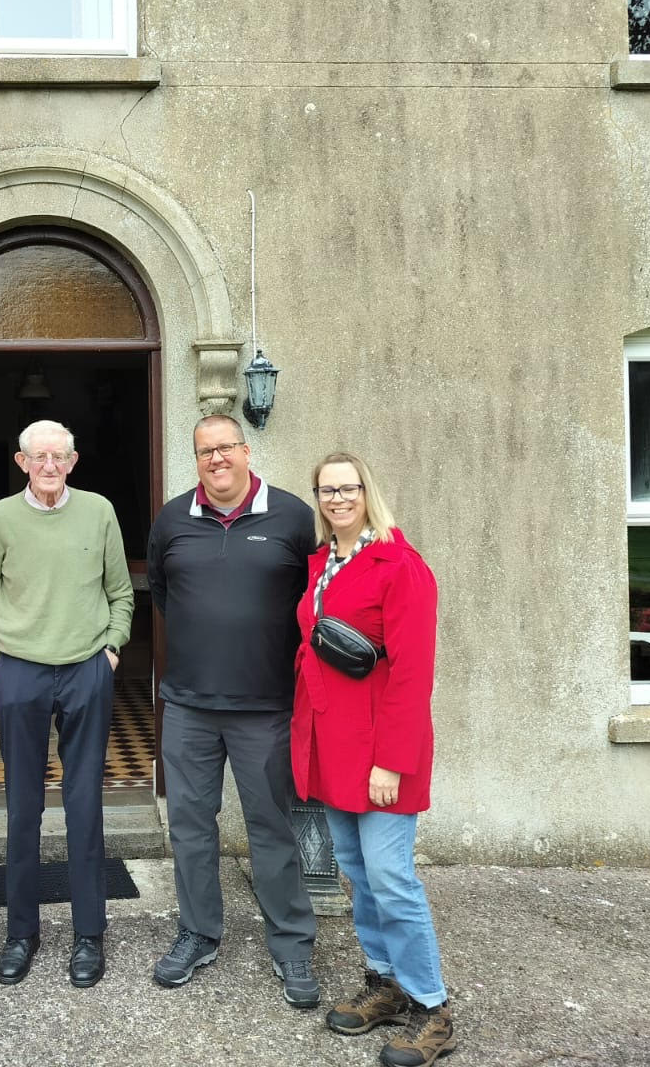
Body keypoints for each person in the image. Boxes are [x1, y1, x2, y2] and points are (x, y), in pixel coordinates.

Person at [146, 414, 321, 1008]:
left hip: (266, 707)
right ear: (195, 459)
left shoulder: (294, 516)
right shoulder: (173, 518)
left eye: (225, 448)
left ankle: (292, 944)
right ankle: (198, 932)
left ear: (246, 451)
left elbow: (314, 597)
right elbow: (166, 597)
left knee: (271, 830)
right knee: (191, 830)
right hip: (189, 706)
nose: (216, 459)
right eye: (204, 452)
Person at [292, 453, 456, 1067]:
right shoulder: (324, 563)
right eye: (326, 490)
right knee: (359, 875)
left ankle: (431, 1007)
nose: (337, 498)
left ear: (367, 492)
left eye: (347, 487)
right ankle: (384, 982)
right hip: (333, 747)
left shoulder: (401, 566)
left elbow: (413, 676)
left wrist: (391, 761)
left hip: (382, 753)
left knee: (392, 878)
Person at [0, 419, 134, 988]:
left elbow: (121, 591)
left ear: (73, 461)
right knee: (23, 807)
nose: (48, 466)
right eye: (38, 457)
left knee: (85, 805)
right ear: (21, 462)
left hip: (86, 667)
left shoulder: (99, 510)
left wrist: (110, 650)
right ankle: (22, 933)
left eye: (57, 457)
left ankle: (89, 934)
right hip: (21, 671)